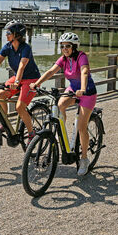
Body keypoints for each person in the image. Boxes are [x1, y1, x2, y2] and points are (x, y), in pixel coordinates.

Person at [33, 32, 97, 175]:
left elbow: (85, 71)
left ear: (74, 47)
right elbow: (51, 71)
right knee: (60, 104)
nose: (64, 49)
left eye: (67, 46)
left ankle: (84, 159)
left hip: (87, 92)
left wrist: (83, 88)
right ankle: (61, 132)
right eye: (62, 46)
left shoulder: (81, 56)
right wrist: (37, 83)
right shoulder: (63, 59)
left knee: (81, 127)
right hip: (73, 89)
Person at [0, 20, 41, 139]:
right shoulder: (7, 47)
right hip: (18, 78)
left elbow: (22, 66)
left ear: (17, 35)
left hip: (31, 79)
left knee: (20, 106)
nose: (6, 35)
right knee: (0, 95)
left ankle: (32, 133)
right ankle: (4, 123)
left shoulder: (26, 48)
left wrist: (16, 82)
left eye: (9, 32)